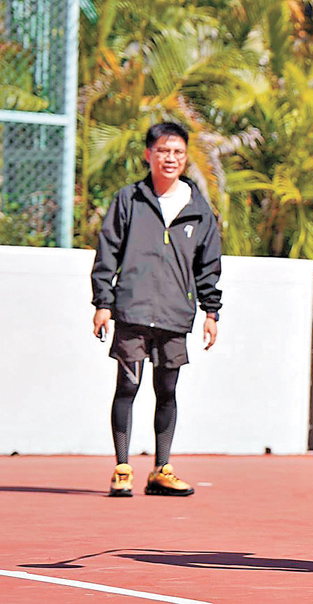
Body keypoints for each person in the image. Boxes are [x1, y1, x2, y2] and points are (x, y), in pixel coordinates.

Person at [91, 121, 223, 498]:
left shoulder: (198, 208)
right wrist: (103, 303)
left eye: (178, 152)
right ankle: (122, 468)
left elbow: (208, 265)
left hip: (174, 315)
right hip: (131, 311)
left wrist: (211, 312)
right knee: (127, 386)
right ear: (148, 155)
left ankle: (161, 469)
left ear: (186, 157)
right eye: (163, 151)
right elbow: (107, 252)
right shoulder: (128, 199)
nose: (170, 158)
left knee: (167, 390)